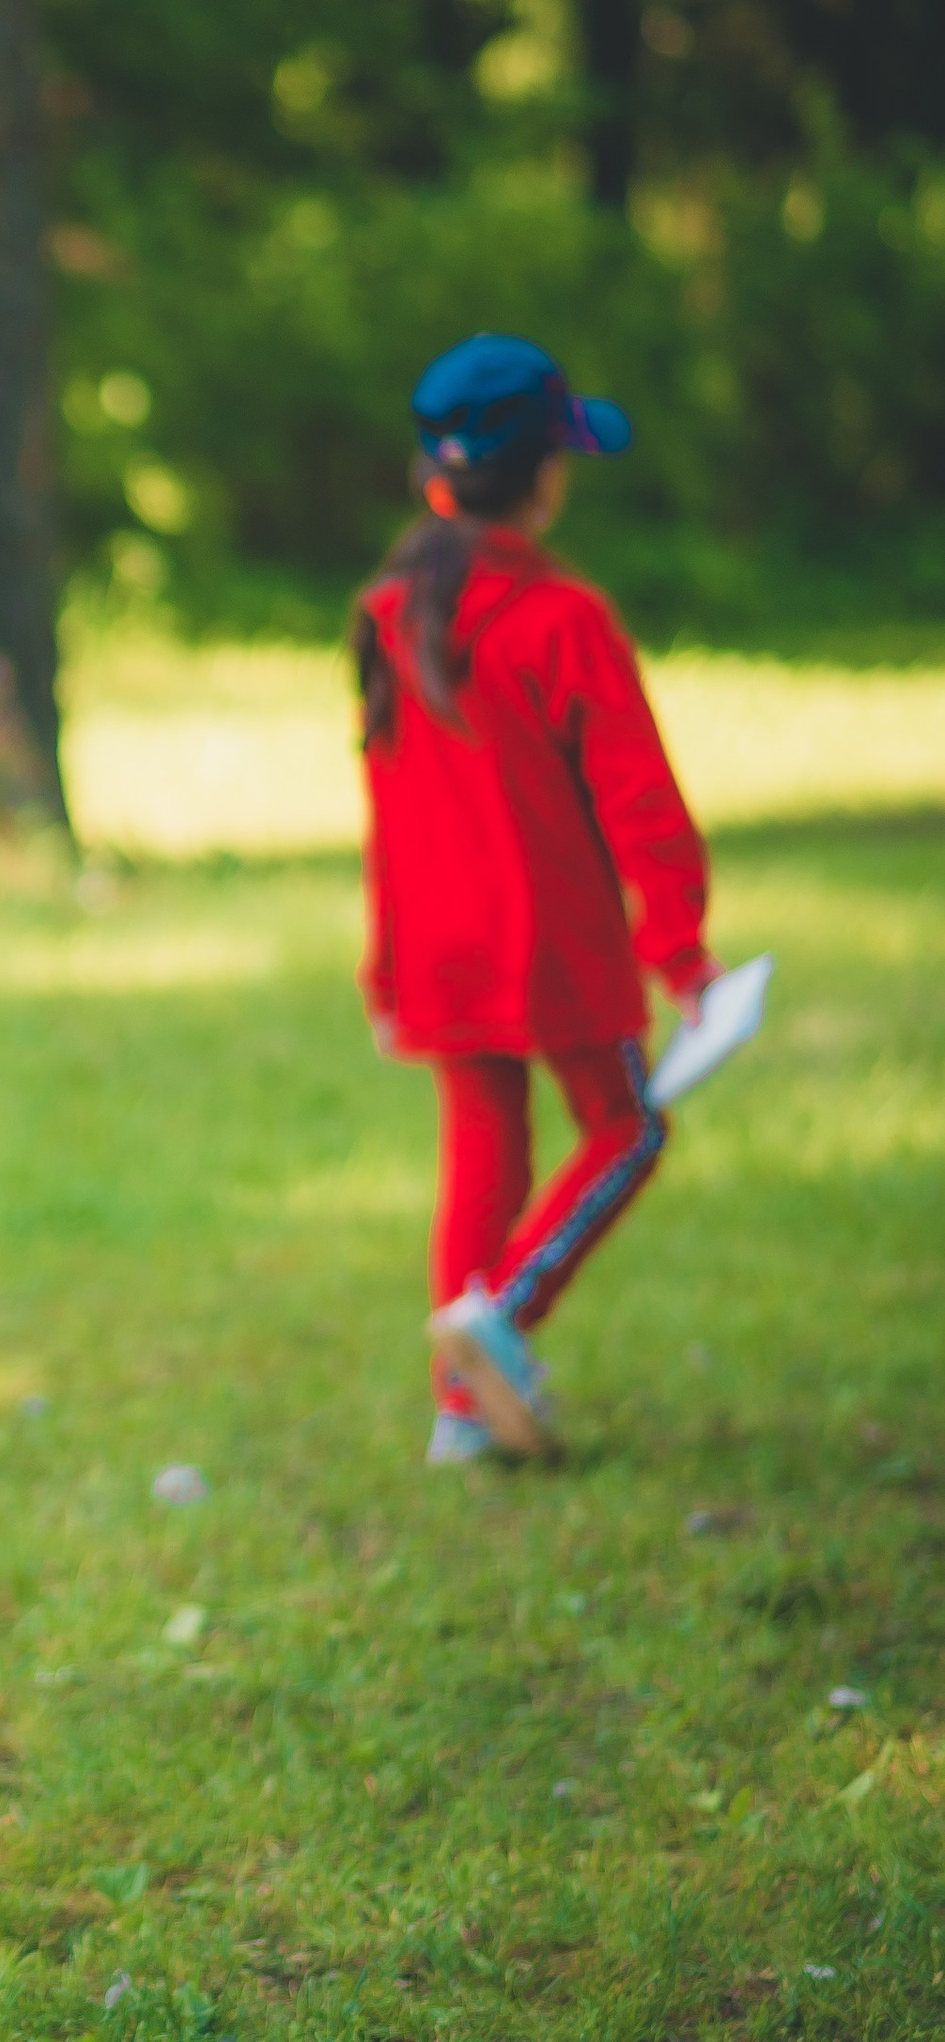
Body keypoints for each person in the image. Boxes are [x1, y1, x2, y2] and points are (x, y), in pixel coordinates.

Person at [352, 332, 719, 1464]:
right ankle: (499, 1319)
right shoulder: (562, 618)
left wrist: (383, 965)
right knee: (628, 1127)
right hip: (550, 947)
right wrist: (682, 952)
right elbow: (639, 800)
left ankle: (462, 1415)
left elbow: (386, 805)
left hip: (441, 948)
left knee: (485, 1152)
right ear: (544, 475)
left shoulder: (387, 610)